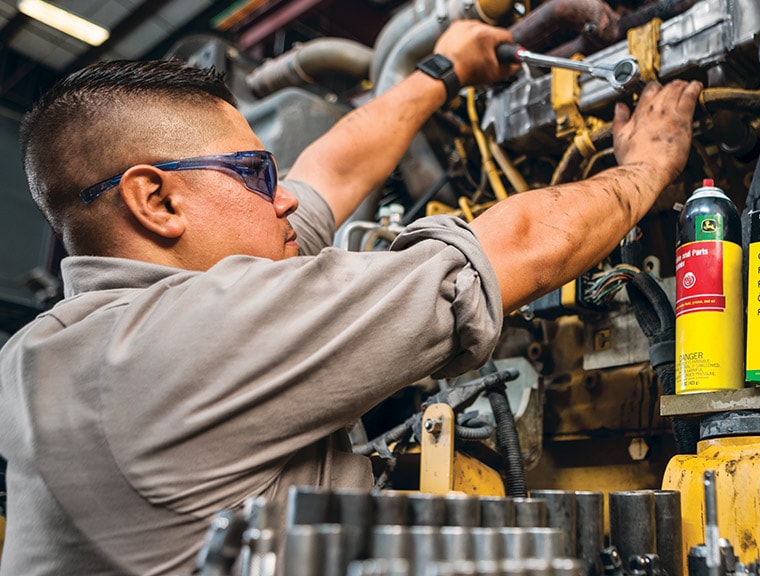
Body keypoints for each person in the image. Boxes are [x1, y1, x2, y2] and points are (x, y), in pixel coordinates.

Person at [0, 18, 701, 576]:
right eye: (252, 172)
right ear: (155, 199)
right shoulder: (178, 345)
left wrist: (443, 70)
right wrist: (647, 167)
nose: (280, 200)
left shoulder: (50, 347)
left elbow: (329, 173)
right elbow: (515, 246)